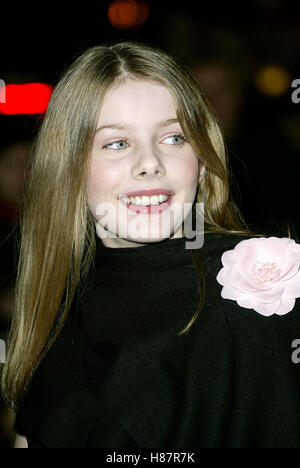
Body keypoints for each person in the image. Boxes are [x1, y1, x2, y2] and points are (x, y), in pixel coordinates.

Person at [1, 41, 300, 449]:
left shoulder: (263, 288)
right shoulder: (59, 310)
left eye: (174, 138)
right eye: (117, 143)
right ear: (68, 166)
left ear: (203, 153)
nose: (150, 163)